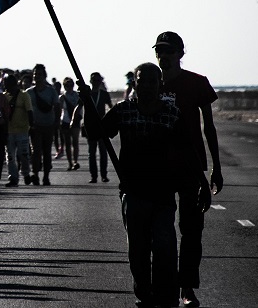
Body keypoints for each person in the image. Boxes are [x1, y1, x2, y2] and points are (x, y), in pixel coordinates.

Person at [84, 62, 210, 308]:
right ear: (135, 84)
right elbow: (95, 132)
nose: (147, 86)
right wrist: (88, 103)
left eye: (153, 81)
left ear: (160, 84)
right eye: (142, 81)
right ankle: (144, 293)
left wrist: (202, 184)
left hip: (163, 192)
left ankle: (166, 296)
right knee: (138, 251)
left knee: (164, 247)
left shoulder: (171, 114)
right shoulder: (123, 111)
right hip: (133, 192)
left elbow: (189, 151)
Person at [154, 31, 223, 308]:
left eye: (169, 51)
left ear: (180, 53)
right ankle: (164, 285)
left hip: (191, 168)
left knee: (192, 231)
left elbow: (209, 126)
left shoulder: (197, 83)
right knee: (160, 231)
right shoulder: (148, 85)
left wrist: (216, 168)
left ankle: (186, 287)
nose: (164, 56)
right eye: (159, 51)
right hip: (157, 169)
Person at [26, 64, 59, 186]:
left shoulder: (51, 91)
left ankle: (46, 176)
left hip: (48, 125)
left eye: (39, 74)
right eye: (35, 74)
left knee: (47, 152)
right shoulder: (29, 92)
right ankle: (35, 174)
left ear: (45, 76)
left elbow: (57, 106)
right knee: (36, 152)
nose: (37, 77)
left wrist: (56, 122)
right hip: (35, 126)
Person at [2, 72, 33, 186]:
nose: (6, 86)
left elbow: (29, 111)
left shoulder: (24, 95)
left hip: (22, 130)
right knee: (10, 157)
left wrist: (31, 126)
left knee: (23, 155)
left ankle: (25, 174)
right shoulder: (4, 97)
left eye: (8, 83)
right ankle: (13, 178)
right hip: (9, 131)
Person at [86, 72, 113, 183]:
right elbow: (79, 106)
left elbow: (111, 107)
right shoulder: (87, 94)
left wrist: (111, 121)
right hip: (90, 125)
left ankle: (104, 175)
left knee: (103, 151)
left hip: (102, 125)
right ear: (91, 81)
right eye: (94, 80)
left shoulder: (104, 94)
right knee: (91, 153)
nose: (96, 82)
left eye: (98, 80)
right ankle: (93, 176)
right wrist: (74, 119)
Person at [60, 77, 82, 171]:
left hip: (76, 121)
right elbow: (59, 109)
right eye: (67, 85)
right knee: (67, 143)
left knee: (75, 142)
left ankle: (75, 161)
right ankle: (70, 163)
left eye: (70, 85)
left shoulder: (77, 95)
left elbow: (80, 107)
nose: (69, 87)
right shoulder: (62, 97)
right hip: (65, 120)